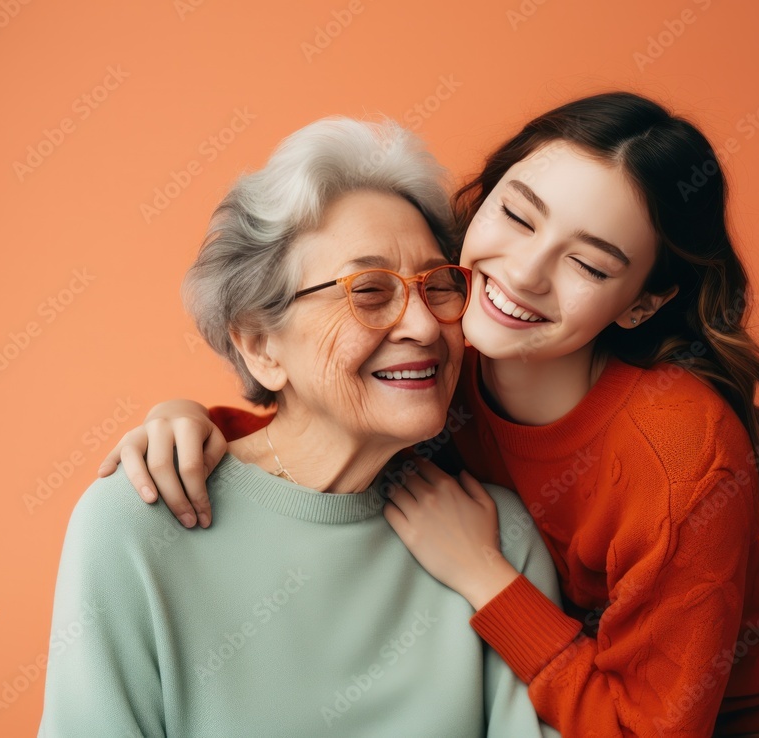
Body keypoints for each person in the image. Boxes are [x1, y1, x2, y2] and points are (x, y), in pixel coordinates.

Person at [99, 93, 759, 737]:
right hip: (553, 693)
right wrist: (197, 423)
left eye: (591, 264)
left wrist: (486, 579)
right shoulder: (448, 339)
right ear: (480, 199)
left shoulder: (681, 450)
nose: (522, 272)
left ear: (641, 303)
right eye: (517, 215)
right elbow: (336, 410)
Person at [38, 117, 563, 738]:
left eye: (437, 286)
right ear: (261, 345)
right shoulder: (136, 523)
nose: (424, 327)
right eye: (370, 292)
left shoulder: (498, 538)